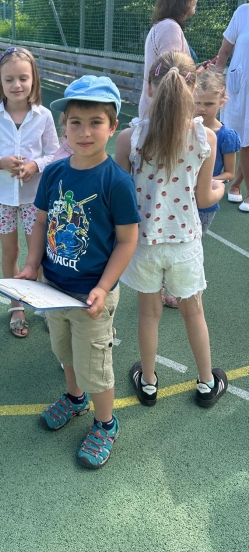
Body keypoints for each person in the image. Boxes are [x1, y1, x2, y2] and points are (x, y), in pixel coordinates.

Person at [16, 76, 140, 469]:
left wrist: (104, 286)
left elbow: (127, 241)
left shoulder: (116, 181)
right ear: (64, 127)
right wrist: (32, 264)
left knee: (96, 367)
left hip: (91, 297)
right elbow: (40, 223)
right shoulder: (54, 173)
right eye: (76, 123)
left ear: (113, 126)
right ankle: (74, 399)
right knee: (64, 352)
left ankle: (105, 423)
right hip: (53, 289)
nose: (85, 132)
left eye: (95, 122)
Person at [115, 51, 228, 410]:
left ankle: (148, 383)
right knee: (194, 311)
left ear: (149, 87)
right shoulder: (205, 138)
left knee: (149, 313)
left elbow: (119, 197)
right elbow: (204, 197)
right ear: (192, 88)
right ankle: (207, 382)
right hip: (184, 241)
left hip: (144, 242)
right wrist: (222, 187)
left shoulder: (129, 138)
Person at [0, 47, 59, 337]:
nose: (16, 85)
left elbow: (56, 154)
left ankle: (42, 303)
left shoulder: (44, 116)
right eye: (9, 79)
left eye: (23, 78)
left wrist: (36, 165)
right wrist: (1, 162)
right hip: (1, 198)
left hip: (36, 198)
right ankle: (16, 304)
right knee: (11, 252)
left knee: (39, 252)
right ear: (0, 81)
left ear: (34, 79)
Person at [139, 0, 199, 119]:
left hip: (160, 114)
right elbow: (170, 79)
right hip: (165, 116)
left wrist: (197, 71)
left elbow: (173, 72)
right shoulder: (170, 28)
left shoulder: (165, 26)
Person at [194, 69, 241, 232]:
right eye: (197, 103)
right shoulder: (183, 128)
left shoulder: (226, 136)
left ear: (221, 102)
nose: (201, 108)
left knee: (197, 242)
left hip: (205, 203)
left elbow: (229, 173)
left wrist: (208, 180)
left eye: (209, 104)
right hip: (179, 197)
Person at [214, 3, 249, 211]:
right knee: (243, 139)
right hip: (240, 86)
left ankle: (237, 184)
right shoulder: (243, 12)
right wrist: (216, 82)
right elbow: (225, 51)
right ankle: (238, 186)